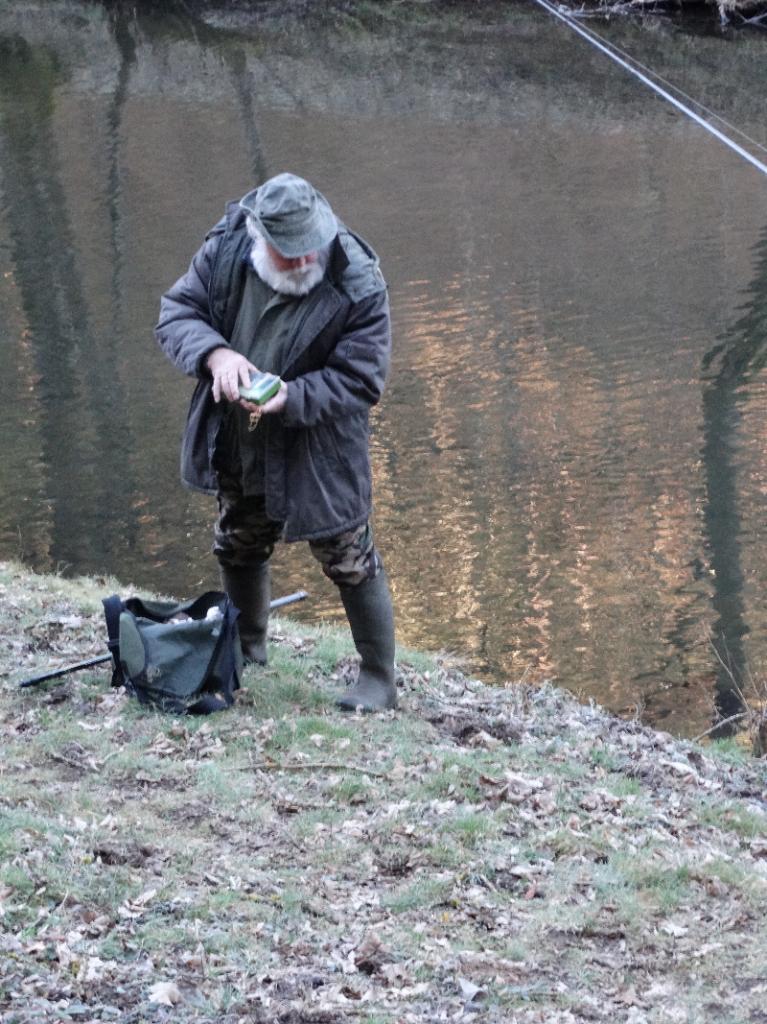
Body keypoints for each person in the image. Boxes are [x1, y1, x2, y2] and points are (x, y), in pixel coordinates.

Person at [155, 172, 396, 712]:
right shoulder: (224, 249)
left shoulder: (357, 280)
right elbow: (176, 314)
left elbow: (362, 379)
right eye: (290, 254)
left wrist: (290, 397)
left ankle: (379, 679)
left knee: (350, 558)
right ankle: (249, 646)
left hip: (320, 446)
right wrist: (216, 355)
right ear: (258, 237)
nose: (305, 261)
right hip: (238, 436)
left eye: (312, 249)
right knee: (238, 540)